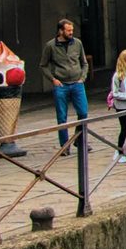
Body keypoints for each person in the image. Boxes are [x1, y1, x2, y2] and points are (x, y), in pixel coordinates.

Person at [39, 18, 89, 150]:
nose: (71, 32)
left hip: (77, 83)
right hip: (61, 84)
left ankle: (80, 140)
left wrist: (82, 77)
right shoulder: (50, 46)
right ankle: (64, 146)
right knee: (62, 116)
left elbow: (84, 62)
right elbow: (43, 65)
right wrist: (53, 79)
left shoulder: (77, 43)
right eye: (68, 30)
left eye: (72, 30)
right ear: (61, 31)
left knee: (83, 113)